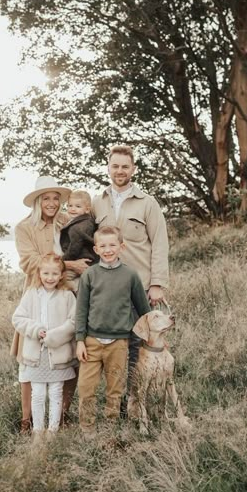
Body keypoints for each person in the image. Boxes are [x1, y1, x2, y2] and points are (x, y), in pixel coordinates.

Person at [14, 176, 90, 432]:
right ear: (37, 201)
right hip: (38, 293)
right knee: (29, 356)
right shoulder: (25, 228)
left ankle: (63, 413)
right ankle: (27, 418)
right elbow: (29, 261)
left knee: (68, 354)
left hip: (67, 294)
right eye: (46, 198)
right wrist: (67, 265)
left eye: (56, 198)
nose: (51, 203)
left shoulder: (67, 223)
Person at [92, 145, 169, 389]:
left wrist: (157, 284)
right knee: (112, 344)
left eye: (125, 166)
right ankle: (116, 400)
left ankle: (136, 400)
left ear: (133, 169)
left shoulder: (148, 203)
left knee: (138, 342)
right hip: (107, 288)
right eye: (115, 166)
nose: (120, 171)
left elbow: (160, 243)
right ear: (108, 168)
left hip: (139, 286)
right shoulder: (98, 202)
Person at [75, 226, 151, 433]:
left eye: (112, 245)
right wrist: (80, 340)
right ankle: (87, 429)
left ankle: (111, 427)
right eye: (103, 246)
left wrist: (151, 337)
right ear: (96, 249)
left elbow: (145, 311)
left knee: (115, 388)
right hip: (91, 342)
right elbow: (81, 310)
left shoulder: (130, 275)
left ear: (121, 247)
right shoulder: (89, 275)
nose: (108, 250)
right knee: (86, 388)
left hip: (118, 343)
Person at [12, 254, 77, 438]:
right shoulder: (31, 294)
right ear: (39, 274)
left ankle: (53, 430)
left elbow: (74, 322)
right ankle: (38, 431)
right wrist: (36, 329)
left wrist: (54, 336)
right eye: (46, 273)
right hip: (36, 355)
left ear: (61, 275)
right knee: (38, 394)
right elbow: (18, 318)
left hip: (57, 354)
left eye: (54, 273)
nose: (50, 278)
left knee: (56, 392)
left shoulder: (67, 296)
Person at [60, 189, 98, 292]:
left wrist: (63, 260)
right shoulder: (86, 221)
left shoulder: (77, 227)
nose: (72, 209)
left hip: (82, 259)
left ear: (87, 209)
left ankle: (79, 292)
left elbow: (74, 247)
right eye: (70, 206)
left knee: (61, 279)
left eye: (78, 206)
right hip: (90, 260)